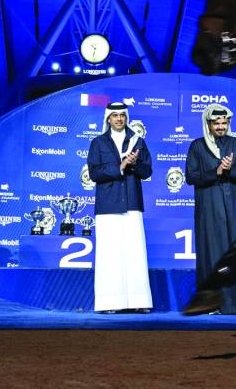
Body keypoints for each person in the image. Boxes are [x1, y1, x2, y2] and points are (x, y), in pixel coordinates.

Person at [185, 103, 236, 315]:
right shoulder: (197, 146)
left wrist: (229, 170)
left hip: (232, 209)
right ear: (208, 124)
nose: (220, 127)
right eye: (216, 123)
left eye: (224, 123)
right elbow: (191, 177)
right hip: (208, 208)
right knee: (213, 254)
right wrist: (216, 171)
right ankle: (214, 304)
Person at [88, 101, 154, 313]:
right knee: (110, 255)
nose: (119, 119)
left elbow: (147, 172)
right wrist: (120, 167)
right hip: (108, 204)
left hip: (132, 202)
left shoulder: (138, 141)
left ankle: (139, 302)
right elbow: (94, 173)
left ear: (126, 117)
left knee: (135, 254)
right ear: (108, 118)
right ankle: (110, 303)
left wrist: (134, 164)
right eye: (115, 116)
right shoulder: (98, 142)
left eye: (122, 115)